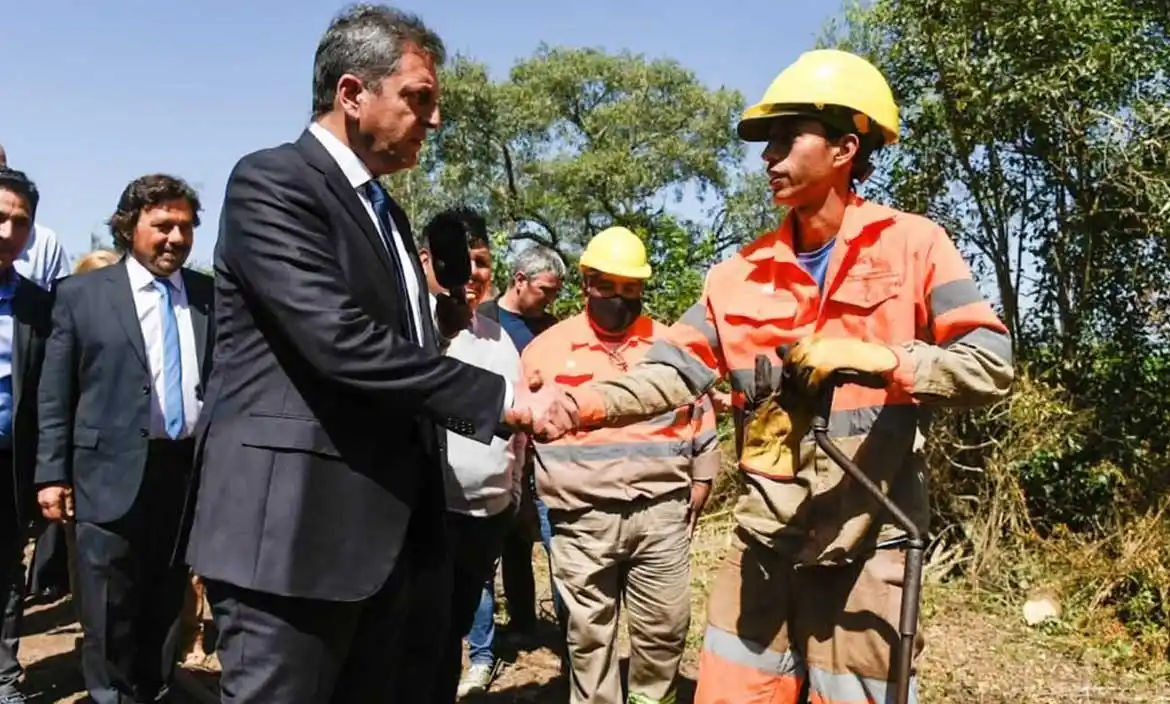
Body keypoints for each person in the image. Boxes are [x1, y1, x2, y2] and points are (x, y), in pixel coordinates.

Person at [514, 49, 1015, 703]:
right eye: (766, 142)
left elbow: (989, 364)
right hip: (765, 543)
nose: (768, 156)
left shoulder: (914, 246)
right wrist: (577, 406)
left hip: (870, 546)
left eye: (787, 138)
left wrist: (888, 361)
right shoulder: (738, 276)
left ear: (845, 147)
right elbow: (669, 371)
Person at [181, 7, 554, 702]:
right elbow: (340, 341)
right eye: (419, 97)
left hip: (389, 542)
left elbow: (398, 351)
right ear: (352, 93)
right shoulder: (273, 184)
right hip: (292, 542)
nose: (435, 119)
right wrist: (500, 401)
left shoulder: (387, 213)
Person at [522, 226, 721, 704]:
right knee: (589, 639)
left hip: (662, 513)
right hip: (581, 519)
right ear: (586, 283)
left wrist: (703, 479)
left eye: (630, 288)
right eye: (607, 285)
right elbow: (524, 432)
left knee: (665, 630)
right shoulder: (546, 350)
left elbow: (701, 416)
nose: (619, 297)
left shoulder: (669, 346)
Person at [35, 174, 214, 704]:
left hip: (184, 473)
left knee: (166, 599)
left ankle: (156, 689)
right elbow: (55, 392)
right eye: (163, 225)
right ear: (129, 226)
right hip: (107, 473)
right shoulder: (82, 295)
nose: (176, 238)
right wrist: (51, 474)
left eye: (186, 227)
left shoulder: (208, 296)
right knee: (110, 604)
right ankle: (111, 695)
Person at [416, 207, 526, 703]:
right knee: (419, 641)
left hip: (487, 519)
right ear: (426, 260)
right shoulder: (412, 326)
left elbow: (516, 428)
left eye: (481, 262)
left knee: (452, 633)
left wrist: (511, 498)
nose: (472, 274)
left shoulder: (500, 338)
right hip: (428, 518)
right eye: (459, 261)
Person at [465, 245, 567, 693]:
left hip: (545, 462)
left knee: (558, 552)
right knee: (488, 558)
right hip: (493, 456)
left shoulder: (553, 330)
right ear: (520, 280)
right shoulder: (481, 321)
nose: (551, 300)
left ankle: (566, 646)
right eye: (545, 290)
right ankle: (482, 654)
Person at [0, 168, 56, 704]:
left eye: (21, 222)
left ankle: (3, 680)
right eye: (0, 217)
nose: (8, 232)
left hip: (8, 463)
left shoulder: (38, 306)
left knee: (5, 573)